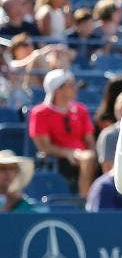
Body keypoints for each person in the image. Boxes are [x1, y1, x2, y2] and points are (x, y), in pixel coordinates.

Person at [28, 68, 98, 197]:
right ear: (58, 90)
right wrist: (68, 153)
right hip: (58, 160)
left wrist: (93, 154)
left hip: (83, 156)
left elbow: (90, 141)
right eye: (70, 85)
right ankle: (85, 201)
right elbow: (44, 147)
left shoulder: (81, 110)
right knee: (88, 158)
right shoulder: (40, 113)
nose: (75, 88)